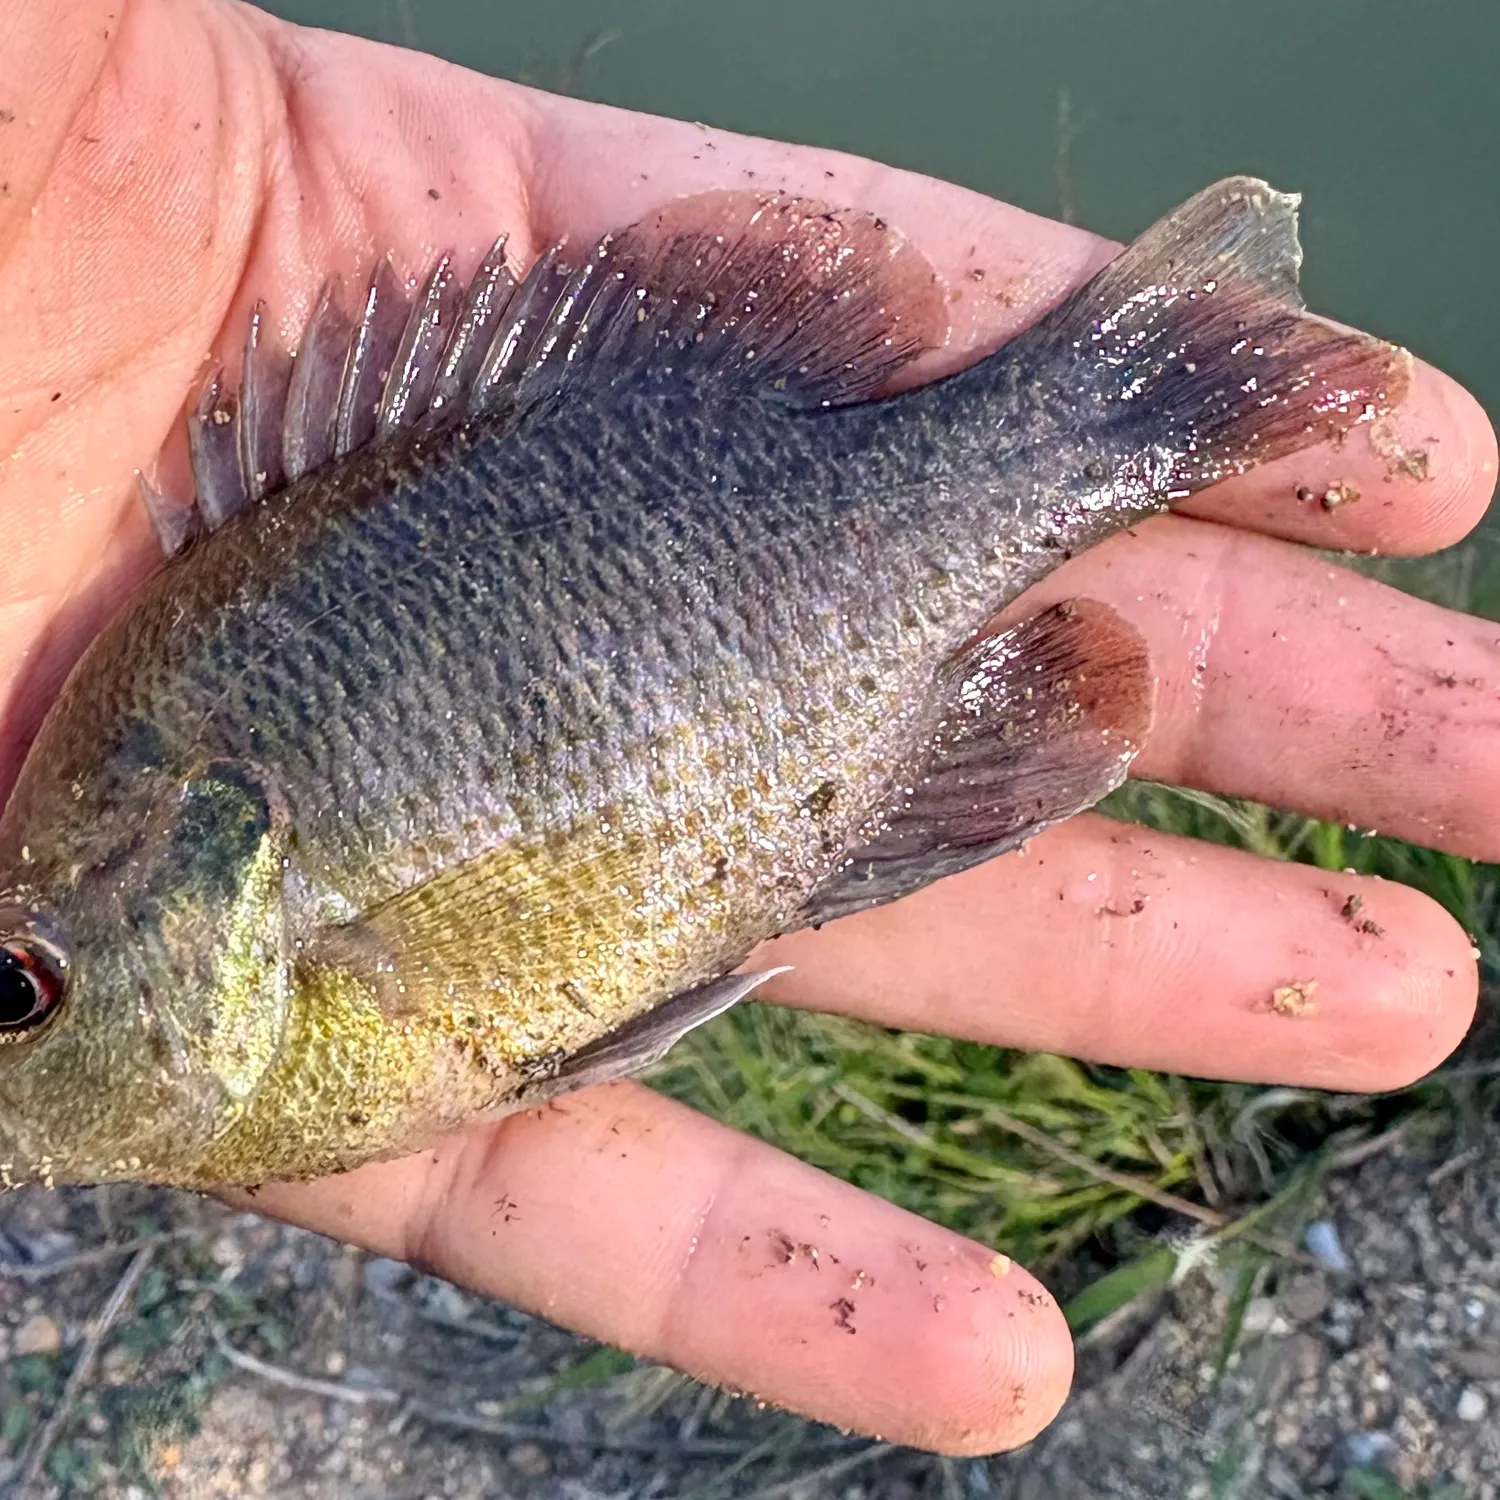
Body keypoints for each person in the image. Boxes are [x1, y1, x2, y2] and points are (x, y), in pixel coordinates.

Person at [3, 0, 1496, 1457]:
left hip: (708, 507)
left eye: (26, 990)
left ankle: (1147, 384)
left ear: (225, 868)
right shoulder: (213, 964)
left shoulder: (219, 831)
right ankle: (1173, 379)